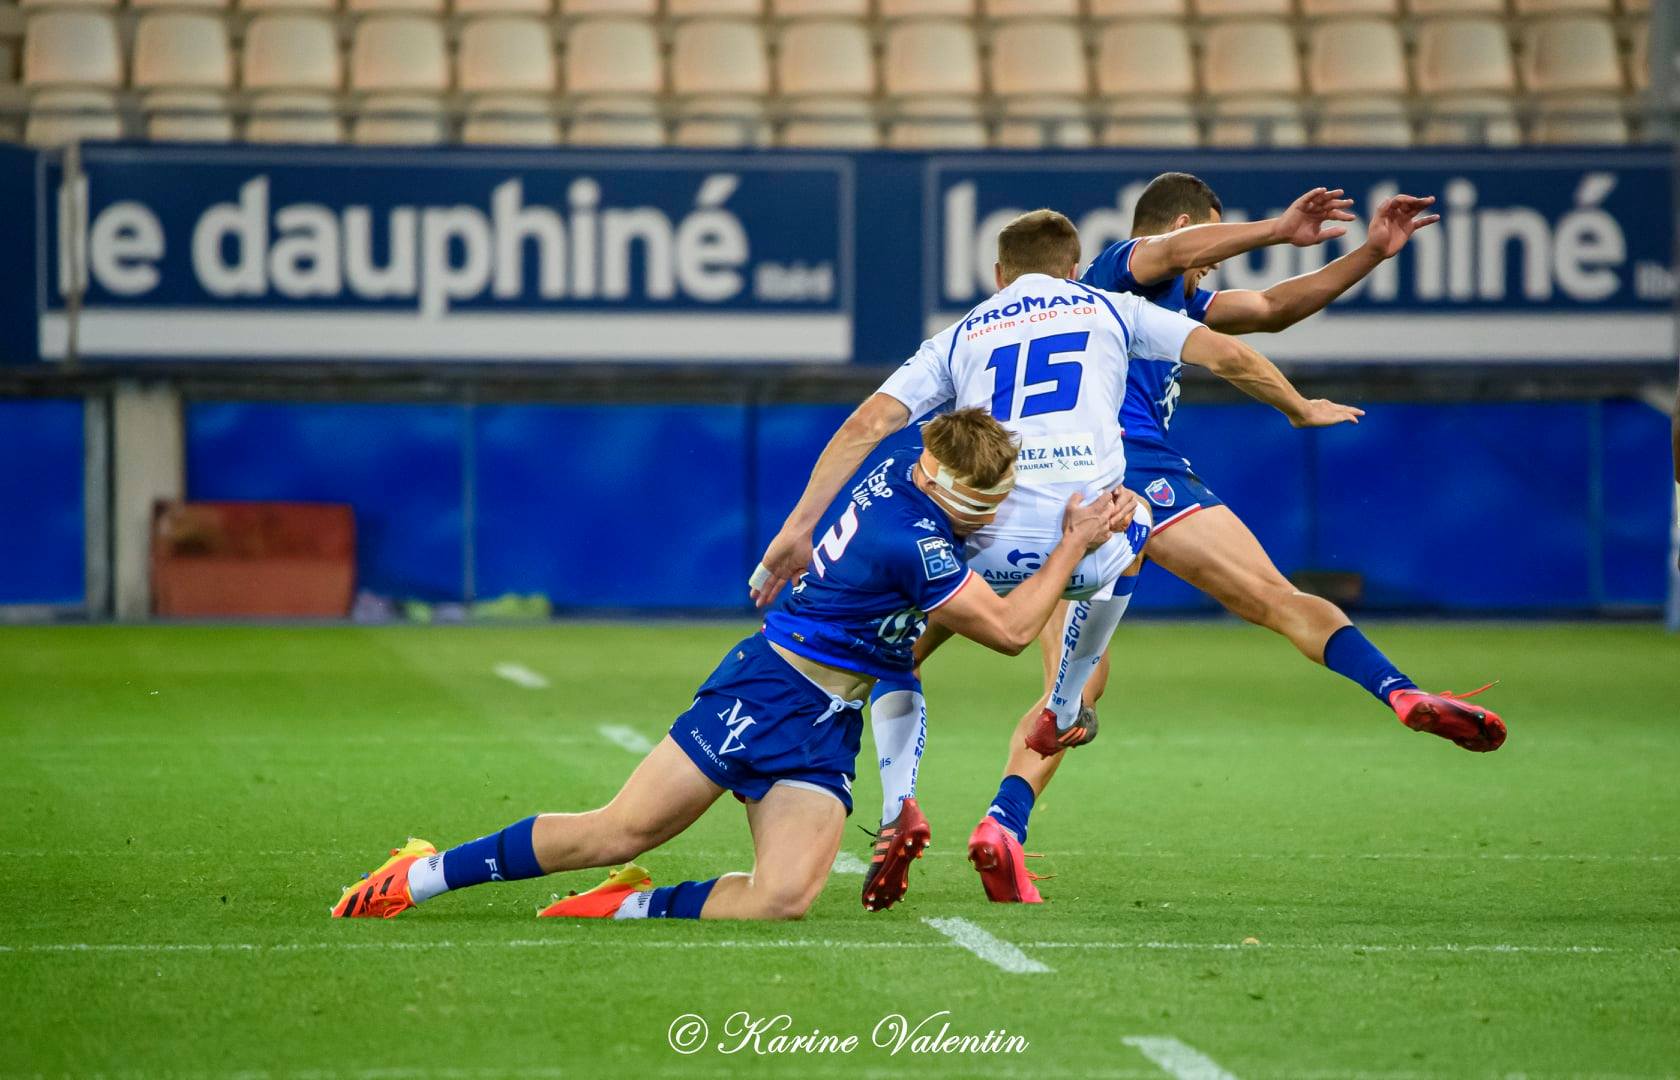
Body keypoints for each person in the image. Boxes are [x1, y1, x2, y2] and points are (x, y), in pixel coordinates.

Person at [751, 208, 1363, 908]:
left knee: (890, 652)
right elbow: (1232, 351)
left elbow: (869, 423)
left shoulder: (961, 332)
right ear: (1074, 269)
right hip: (1076, 544)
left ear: (997, 275)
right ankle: (1065, 703)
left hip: (973, 540)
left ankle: (897, 805)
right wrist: (1298, 405)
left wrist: (800, 529)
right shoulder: (1109, 305)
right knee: (1131, 518)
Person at [330, 407, 1129, 922]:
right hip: (769, 688)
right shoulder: (910, 540)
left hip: (826, 722)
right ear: (946, 488)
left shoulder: (905, 469)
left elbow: (908, 655)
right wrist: (1073, 541)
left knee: (782, 899)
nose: (990, 521)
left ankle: (623, 910)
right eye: (983, 508)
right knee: (618, 828)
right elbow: (1011, 632)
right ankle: (421, 874)